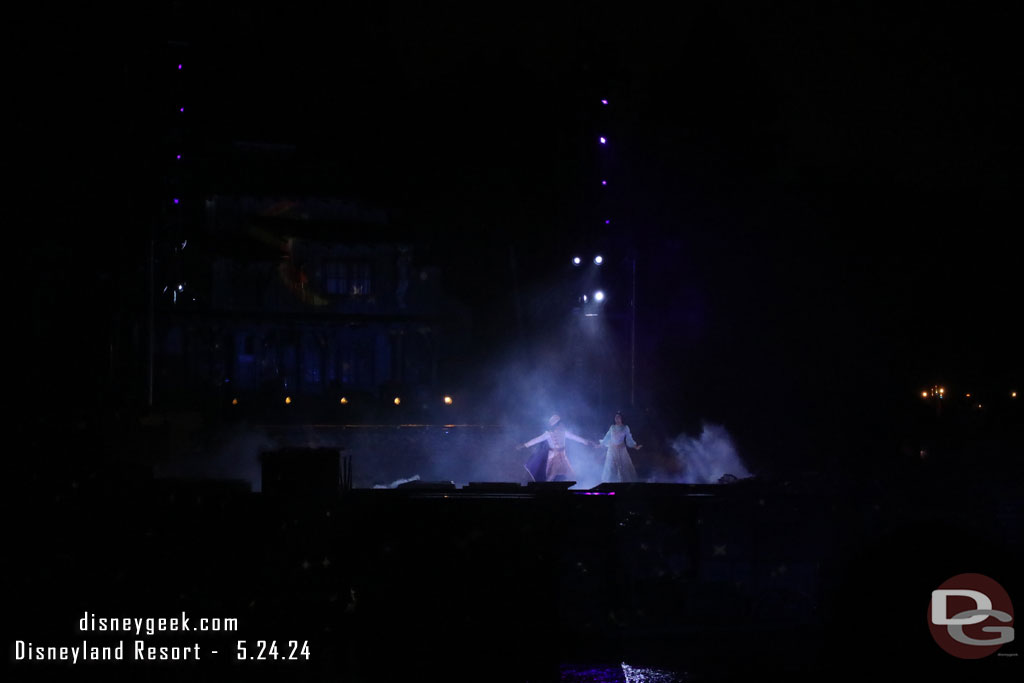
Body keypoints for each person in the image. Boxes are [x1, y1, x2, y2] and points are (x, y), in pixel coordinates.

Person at [517, 414, 596, 482]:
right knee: (551, 476)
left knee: (570, 475)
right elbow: (536, 440)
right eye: (561, 423)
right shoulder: (548, 434)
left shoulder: (564, 433)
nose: (562, 425)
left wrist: (587, 442)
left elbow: (576, 438)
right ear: (557, 425)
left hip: (563, 457)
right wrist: (524, 445)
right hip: (553, 457)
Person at [598, 411, 641, 482]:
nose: (617, 419)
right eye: (616, 417)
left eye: (618, 417)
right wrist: (600, 444)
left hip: (621, 449)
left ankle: (622, 483)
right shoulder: (612, 427)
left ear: (621, 418)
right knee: (610, 466)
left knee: (623, 468)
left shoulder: (625, 427)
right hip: (612, 449)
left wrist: (635, 446)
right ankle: (609, 482)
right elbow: (607, 437)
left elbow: (629, 438)